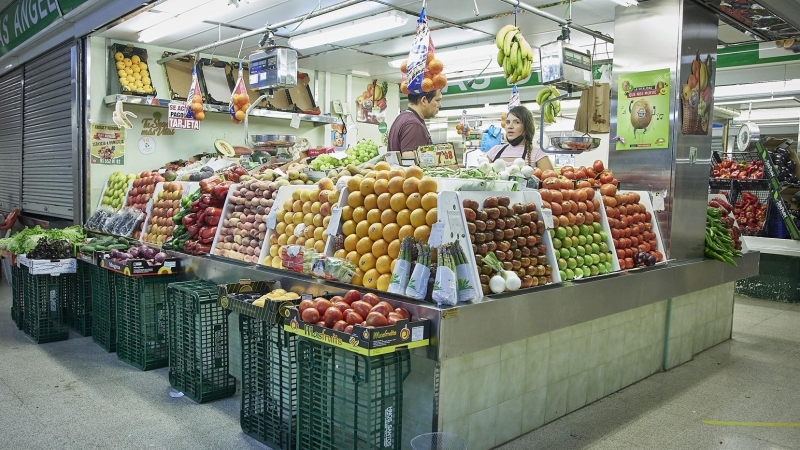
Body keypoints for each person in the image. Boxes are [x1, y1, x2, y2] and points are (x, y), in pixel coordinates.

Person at [486, 105, 554, 171]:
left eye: (516, 122)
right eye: (508, 122)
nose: (510, 126)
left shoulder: (538, 154)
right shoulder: (494, 151)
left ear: (527, 127)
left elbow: (550, 180)